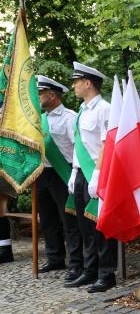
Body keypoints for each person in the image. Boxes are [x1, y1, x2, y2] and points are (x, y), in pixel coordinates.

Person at [64, 62, 118, 293]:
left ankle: (107, 274)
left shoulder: (105, 109)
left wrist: (96, 174)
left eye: (77, 81)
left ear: (88, 83)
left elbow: (107, 145)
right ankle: (90, 270)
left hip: (99, 174)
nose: (74, 85)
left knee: (101, 226)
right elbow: (79, 145)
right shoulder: (82, 111)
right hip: (81, 175)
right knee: (85, 226)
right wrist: (75, 172)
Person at [36, 76, 83, 275]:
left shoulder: (70, 117)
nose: (36, 97)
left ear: (52, 95)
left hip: (63, 173)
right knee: (47, 220)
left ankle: (76, 263)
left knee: (68, 221)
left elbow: (77, 148)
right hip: (42, 173)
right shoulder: (39, 119)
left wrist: (74, 173)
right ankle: (55, 258)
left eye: (40, 93)